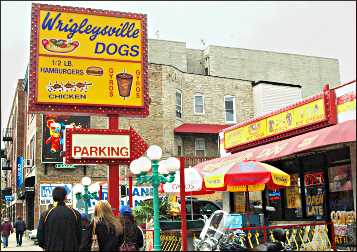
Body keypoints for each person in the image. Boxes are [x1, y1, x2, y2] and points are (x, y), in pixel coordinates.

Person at [37, 186, 82, 251]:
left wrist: (46, 246)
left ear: (53, 198)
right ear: (65, 197)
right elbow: (80, 235)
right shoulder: (75, 214)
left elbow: (40, 236)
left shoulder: (46, 215)